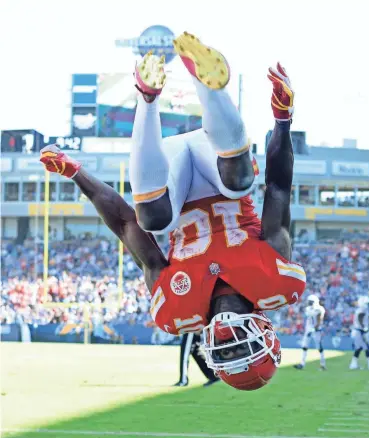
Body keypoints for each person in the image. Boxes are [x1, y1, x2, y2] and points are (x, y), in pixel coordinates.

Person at [40, 32, 305, 391]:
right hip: (219, 162)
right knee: (241, 182)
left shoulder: (176, 311)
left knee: (153, 219)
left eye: (225, 351)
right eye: (243, 347)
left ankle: (147, 97)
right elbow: (278, 188)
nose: (229, 340)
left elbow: (124, 224)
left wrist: (75, 172)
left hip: (171, 179)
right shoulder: (277, 280)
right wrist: (283, 118)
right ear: (264, 332)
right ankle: (205, 80)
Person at [294, 294, 326, 370]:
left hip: (316, 330)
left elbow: (319, 321)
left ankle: (323, 365)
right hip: (308, 330)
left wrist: (313, 330)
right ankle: (302, 364)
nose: (309, 303)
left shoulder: (319, 309)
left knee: (319, 347)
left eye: (311, 302)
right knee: (304, 346)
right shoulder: (308, 309)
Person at [349, 296, 369, 370]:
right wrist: (364, 328)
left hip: (358, 330)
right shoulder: (362, 309)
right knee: (366, 347)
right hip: (360, 331)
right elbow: (360, 318)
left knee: (359, 348)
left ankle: (353, 363)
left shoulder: (360, 309)